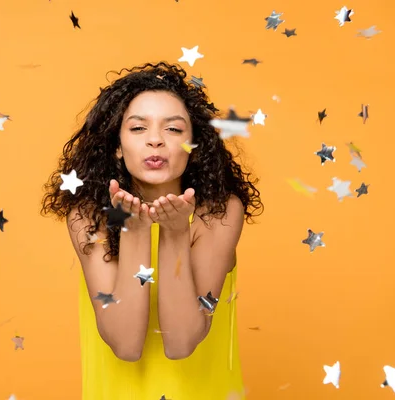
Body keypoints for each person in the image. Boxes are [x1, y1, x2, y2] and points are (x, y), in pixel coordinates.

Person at [40, 61, 263, 400]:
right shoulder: (88, 215)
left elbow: (182, 342)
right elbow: (126, 345)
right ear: (117, 144)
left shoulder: (217, 211)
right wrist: (134, 231)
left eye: (173, 130)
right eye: (138, 128)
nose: (156, 141)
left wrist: (174, 233)